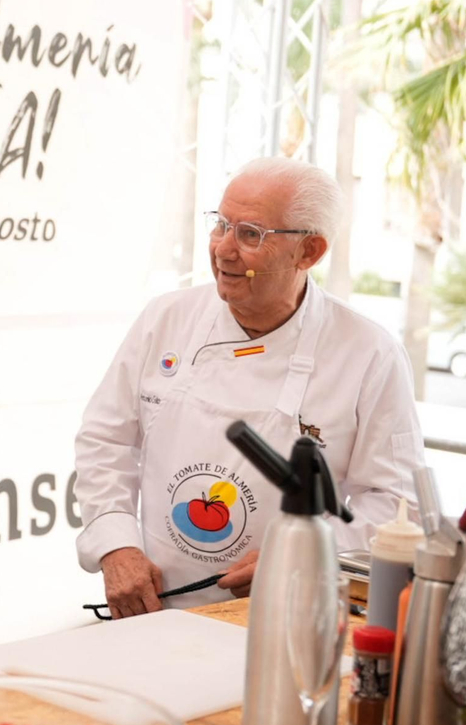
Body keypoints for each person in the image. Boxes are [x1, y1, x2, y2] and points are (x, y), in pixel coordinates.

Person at [75, 157, 422, 616]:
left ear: (309, 252)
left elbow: (396, 504)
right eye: (221, 225)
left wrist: (303, 555)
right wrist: (116, 545)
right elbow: (105, 441)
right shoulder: (167, 318)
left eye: (250, 234)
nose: (223, 249)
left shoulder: (368, 353)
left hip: (285, 614)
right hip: (154, 608)